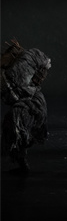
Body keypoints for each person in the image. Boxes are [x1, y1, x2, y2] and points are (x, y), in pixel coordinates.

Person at [1, 39, 51, 173]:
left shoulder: (27, 58)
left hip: (31, 102)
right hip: (24, 102)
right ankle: (22, 163)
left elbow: (45, 63)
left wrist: (38, 77)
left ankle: (22, 162)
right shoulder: (6, 72)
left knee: (18, 130)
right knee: (13, 130)